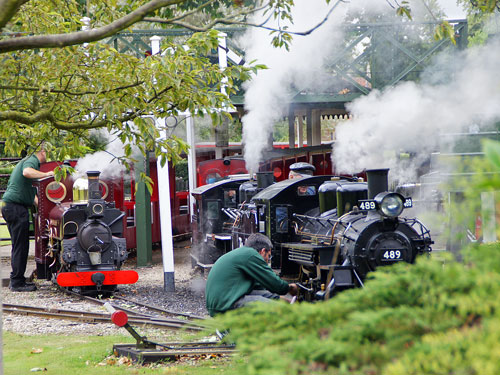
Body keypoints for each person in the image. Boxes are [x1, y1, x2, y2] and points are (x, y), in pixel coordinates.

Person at [1, 144, 54, 292]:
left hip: (10, 206)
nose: (47, 156)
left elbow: (34, 198)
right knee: (21, 246)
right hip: (16, 208)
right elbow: (27, 172)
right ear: (41, 151)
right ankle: (17, 282)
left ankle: (17, 279)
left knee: (18, 245)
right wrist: (47, 174)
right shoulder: (31, 160)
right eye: (46, 152)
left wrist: (46, 209)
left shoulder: (26, 160)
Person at [205, 233, 298, 316]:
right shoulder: (251, 255)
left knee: (267, 297)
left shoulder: (243, 254)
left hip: (224, 300)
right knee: (279, 310)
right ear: (262, 251)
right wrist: (289, 288)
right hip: (225, 304)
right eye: (268, 256)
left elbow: (260, 288)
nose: (268, 260)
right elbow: (275, 285)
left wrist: (279, 299)